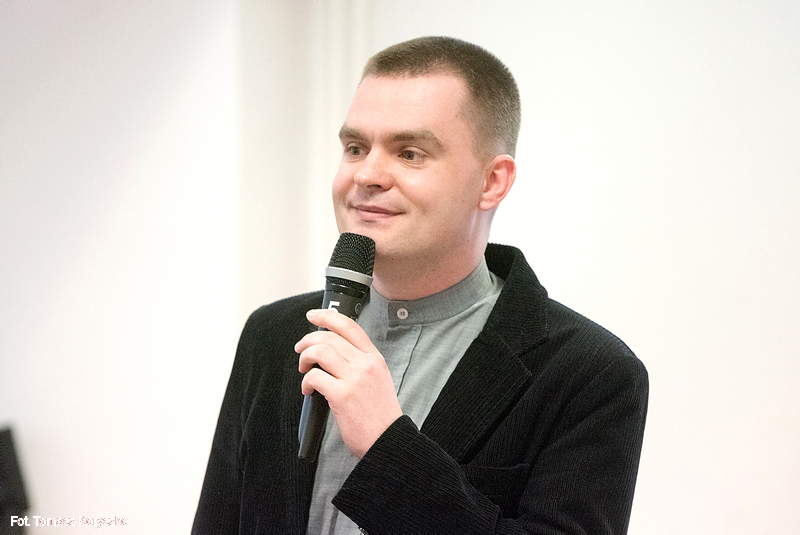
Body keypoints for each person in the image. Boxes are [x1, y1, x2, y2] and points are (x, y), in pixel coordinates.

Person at [192, 36, 648, 535]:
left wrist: (387, 449)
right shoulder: (272, 334)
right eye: (355, 148)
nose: (367, 174)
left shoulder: (590, 373)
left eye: (409, 153)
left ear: (492, 182)